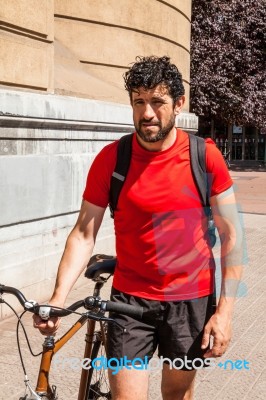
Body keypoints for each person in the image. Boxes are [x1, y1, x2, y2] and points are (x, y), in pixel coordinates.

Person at [34, 56, 243, 400]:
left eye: (157, 102)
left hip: (189, 300)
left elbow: (232, 237)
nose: (147, 113)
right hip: (130, 301)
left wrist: (225, 313)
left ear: (179, 104)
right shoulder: (112, 159)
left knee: (176, 395)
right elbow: (84, 233)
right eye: (139, 102)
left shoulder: (204, 157)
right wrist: (58, 297)